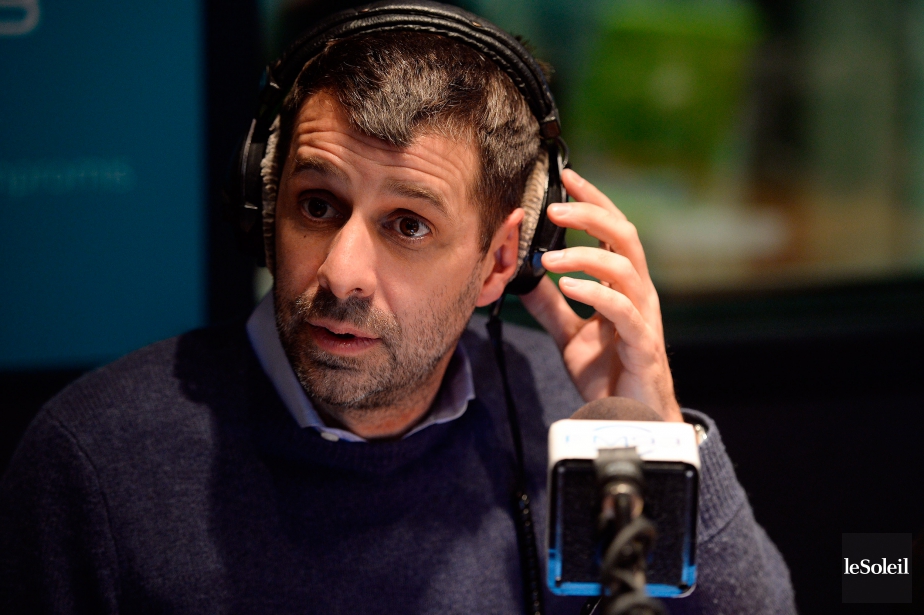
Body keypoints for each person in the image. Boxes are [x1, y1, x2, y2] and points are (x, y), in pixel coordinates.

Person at [0, 6, 796, 614]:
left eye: (407, 224)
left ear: (499, 261)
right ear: (265, 205)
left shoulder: (567, 421)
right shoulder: (96, 462)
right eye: (317, 205)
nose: (341, 272)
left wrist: (656, 437)